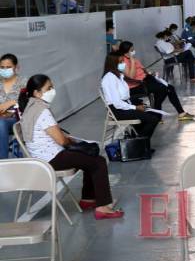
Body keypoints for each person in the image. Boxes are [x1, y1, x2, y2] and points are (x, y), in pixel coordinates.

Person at [19, 74, 124, 219]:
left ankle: (88, 199)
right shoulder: (41, 111)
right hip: (51, 159)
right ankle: (103, 207)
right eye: (49, 88)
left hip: (40, 157)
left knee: (89, 158)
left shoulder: (31, 107)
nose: (53, 90)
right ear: (37, 93)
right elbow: (62, 141)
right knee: (98, 161)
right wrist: (75, 143)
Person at [118, 42, 195, 121]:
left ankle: (159, 115)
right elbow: (131, 76)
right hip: (137, 85)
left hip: (146, 80)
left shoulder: (134, 59)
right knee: (167, 89)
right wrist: (132, 61)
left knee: (169, 88)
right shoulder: (122, 62)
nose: (134, 51)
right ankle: (171, 113)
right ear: (126, 51)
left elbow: (143, 70)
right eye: (132, 50)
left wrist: (150, 73)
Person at [101, 52, 161, 141]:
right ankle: (139, 144)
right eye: (120, 62)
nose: (123, 64)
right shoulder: (110, 78)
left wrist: (136, 105)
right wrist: (135, 107)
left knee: (153, 114)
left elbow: (124, 96)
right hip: (118, 111)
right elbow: (117, 103)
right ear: (113, 64)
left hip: (124, 106)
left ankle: (139, 143)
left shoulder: (118, 76)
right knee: (152, 119)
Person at [0, 54, 26, 159]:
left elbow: (30, 102)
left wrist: (12, 102)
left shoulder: (23, 83)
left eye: (8, 67)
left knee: (0, 123)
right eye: (2, 67)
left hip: (16, 119)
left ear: (16, 67)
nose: (4, 70)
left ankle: (3, 162)